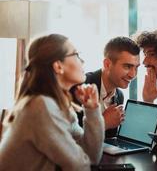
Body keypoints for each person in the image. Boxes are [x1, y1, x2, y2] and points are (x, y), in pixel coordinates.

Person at [0, 34, 104, 171]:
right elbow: (79, 166)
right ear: (58, 66)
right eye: (76, 54)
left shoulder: (57, 103)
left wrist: (92, 109)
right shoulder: (41, 106)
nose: (82, 61)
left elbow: (91, 157)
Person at [72, 36, 140, 138]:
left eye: (136, 67)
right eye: (127, 66)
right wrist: (103, 123)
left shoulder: (119, 95)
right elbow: (69, 138)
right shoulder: (79, 86)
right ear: (107, 64)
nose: (133, 74)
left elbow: (108, 141)